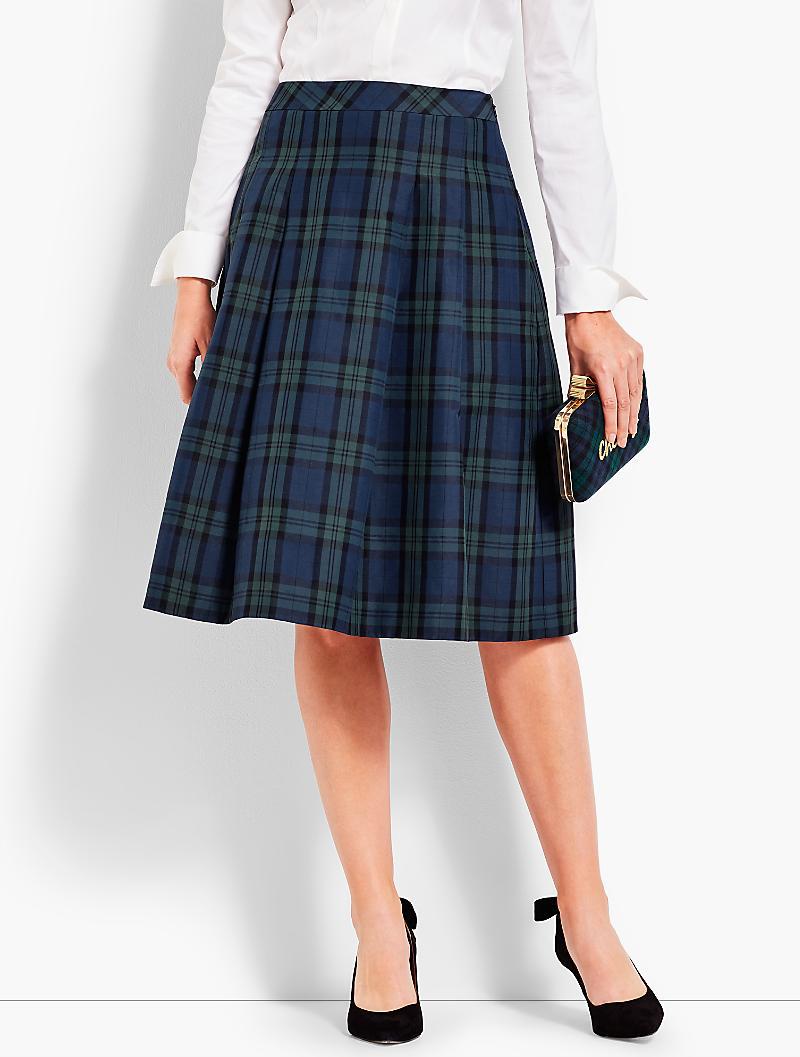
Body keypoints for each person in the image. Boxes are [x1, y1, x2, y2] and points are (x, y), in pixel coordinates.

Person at [145, 0, 662, 1043]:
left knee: (518, 602)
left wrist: (590, 299)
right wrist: (197, 268)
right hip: (301, 200)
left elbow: (563, 78)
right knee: (325, 597)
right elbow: (247, 60)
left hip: (457, 196)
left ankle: (587, 917)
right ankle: (378, 925)